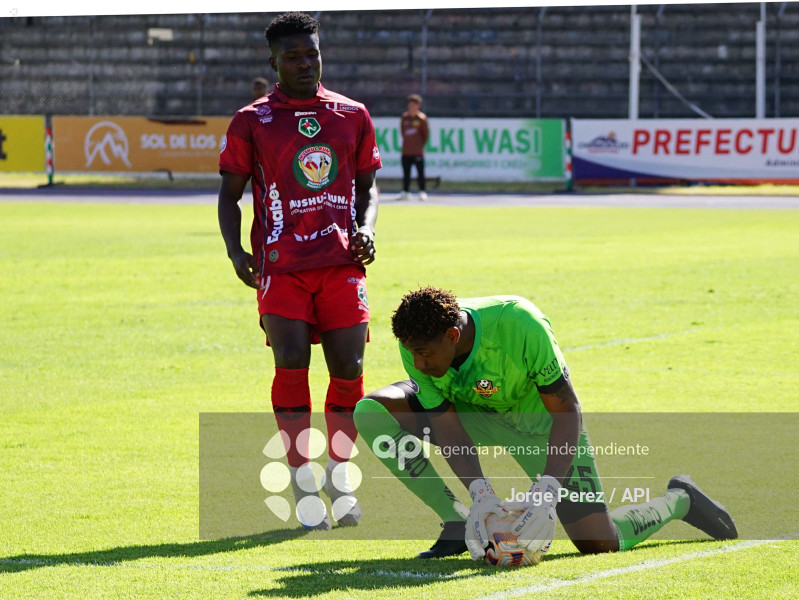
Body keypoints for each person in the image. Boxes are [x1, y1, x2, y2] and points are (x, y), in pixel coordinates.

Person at [353, 287, 737, 559]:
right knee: (371, 411)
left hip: (541, 425)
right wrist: (481, 496)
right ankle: (455, 522)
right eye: (412, 353)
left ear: (453, 335)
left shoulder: (520, 322)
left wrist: (548, 488)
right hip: (475, 418)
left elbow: (567, 408)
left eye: (424, 354)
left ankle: (681, 499)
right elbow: (448, 426)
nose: (418, 364)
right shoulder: (417, 341)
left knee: (599, 542)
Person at [217, 12, 382, 531]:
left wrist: (368, 229)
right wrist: (234, 251)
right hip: (282, 265)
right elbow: (230, 195)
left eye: (312, 54)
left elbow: (367, 188)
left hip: (340, 263)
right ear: (274, 62)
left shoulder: (352, 114)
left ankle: (341, 473)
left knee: (349, 369)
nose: (305, 63)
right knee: (289, 360)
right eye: (293, 57)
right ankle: (302, 478)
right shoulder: (252, 120)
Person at [395, 94, 429, 202]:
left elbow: (425, 135)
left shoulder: (422, 119)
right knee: (406, 173)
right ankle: (406, 191)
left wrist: (420, 145)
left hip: (418, 151)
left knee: (420, 172)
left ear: (418, 105)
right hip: (406, 150)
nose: (411, 106)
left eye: (414, 104)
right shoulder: (405, 118)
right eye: (410, 104)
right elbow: (402, 133)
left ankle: (422, 192)